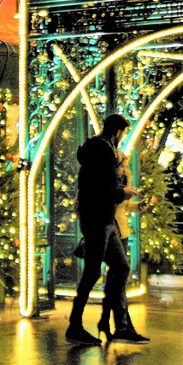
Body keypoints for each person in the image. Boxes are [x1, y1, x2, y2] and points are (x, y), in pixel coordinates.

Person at [66, 114, 143, 346]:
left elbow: (100, 186)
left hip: (105, 221)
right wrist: (123, 192)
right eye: (123, 132)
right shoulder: (102, 151)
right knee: (93, 272)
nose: (123, 137)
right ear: (118, 131)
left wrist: (120, 185)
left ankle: (111, 323)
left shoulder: (102, 149)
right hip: (98, 221)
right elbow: (99, 189)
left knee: (119, 267)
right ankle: (76, 325)